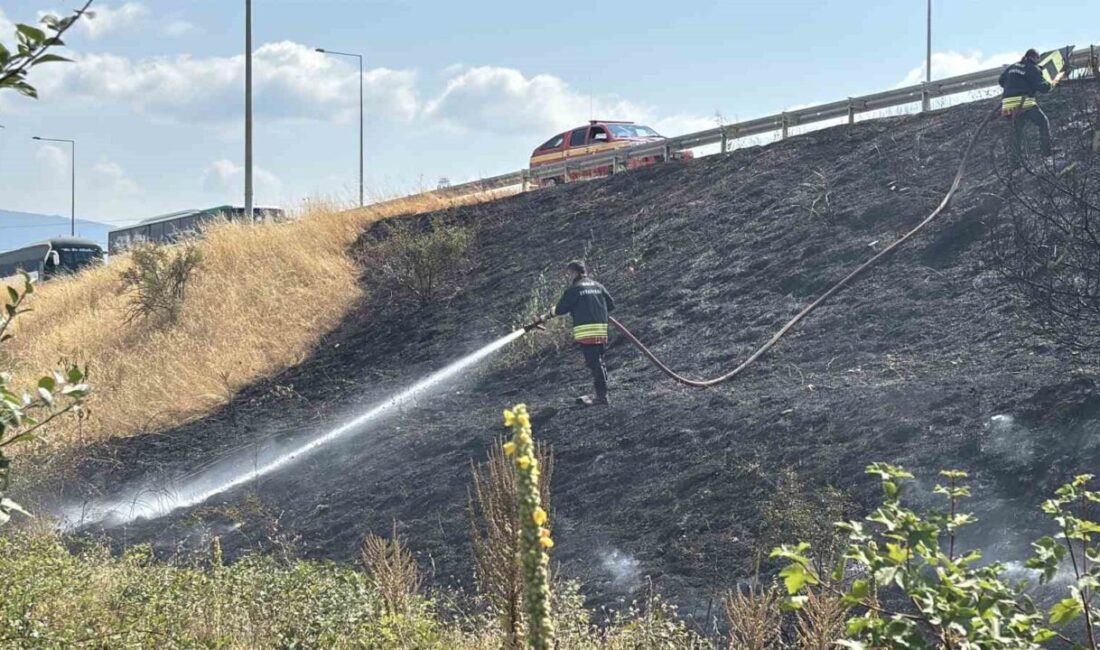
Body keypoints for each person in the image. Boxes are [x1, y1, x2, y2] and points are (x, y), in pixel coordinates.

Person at [532, 260, 615, 406]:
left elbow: (560, 309)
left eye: (569, 273)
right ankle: (601, 394)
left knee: (595, 364)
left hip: (587, 332)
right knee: (599, 362)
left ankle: (602, 397)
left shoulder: (574, 289)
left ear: (574, 272)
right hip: (601, 331)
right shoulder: (598, 286)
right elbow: (611, 305)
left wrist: (544, 317)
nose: (568, 277)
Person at [998, 48, 1064, 160]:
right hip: (1024, 103)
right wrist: (1053, 83)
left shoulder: (1012, 66)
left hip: (1007, 105)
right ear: (1033, 58)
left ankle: (1016, 161)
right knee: (1043, 122)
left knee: (1017, 132)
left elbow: (1001, 80)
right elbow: (1043, 88)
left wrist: (1013, 87)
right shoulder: (1032, 68)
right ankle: (1046, 152)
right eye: (1038, 58)